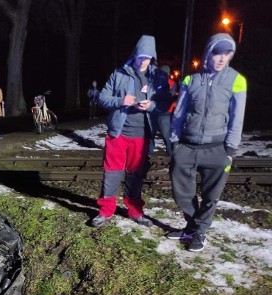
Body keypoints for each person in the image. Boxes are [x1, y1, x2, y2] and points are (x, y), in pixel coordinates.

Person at [167, 33, 247, 252]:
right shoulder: (190, 80)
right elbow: (179, 114)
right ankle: (192, 225)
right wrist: (175, 142)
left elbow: (237, 117)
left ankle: (200, 232)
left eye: (227, 53)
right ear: (208, 53)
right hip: (187, 146)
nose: (221, 58)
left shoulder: (237, 80)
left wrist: (230, 149)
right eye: (217, 53)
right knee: (181, 191)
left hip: (217, 148)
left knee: (211, 196)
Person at [91, 35, 171, 228]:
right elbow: (102, 98)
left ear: (153, 58)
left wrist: (151, 105)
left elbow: (165, 103)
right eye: (140, 56)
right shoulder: (119, 73)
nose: (143, 60)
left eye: (147, 57)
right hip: (118, 133)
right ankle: (105, 210)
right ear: (135, 55)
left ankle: (135, 211)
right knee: (112, 172)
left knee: (136, 175)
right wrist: (120, 101)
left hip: (143, 135)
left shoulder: (159, 76)